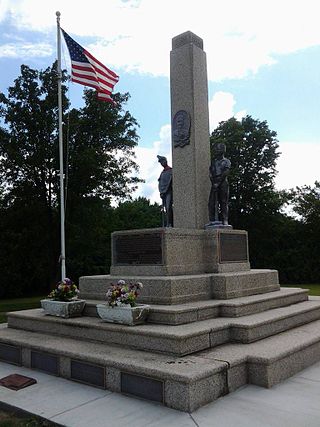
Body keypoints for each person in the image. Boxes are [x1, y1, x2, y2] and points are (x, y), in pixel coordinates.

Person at [208, 143, 231, 226]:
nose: (216, 151)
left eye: (218, 149)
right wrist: (213, 182)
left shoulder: (226, 161)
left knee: (223, 202)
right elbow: (210, 172)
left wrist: (218, 183)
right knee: (211, 202)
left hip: (223, 182)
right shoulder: (214, 162)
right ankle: (212, 220)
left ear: (222, 150)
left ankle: (225, 220)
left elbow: (225, 172)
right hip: (214, 182)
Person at [157, 155, 173, 227]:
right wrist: (161, 192)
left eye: (162, 162)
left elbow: (170, 182)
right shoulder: (162, 173)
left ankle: (170, 223)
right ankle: (167, 223)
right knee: (165, 209)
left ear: (166, 161)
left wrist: (165, 190)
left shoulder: (171, 170)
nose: (162, 164)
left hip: (169, 192)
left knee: (168, 207)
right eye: (161, 163)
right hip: (163, 193)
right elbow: (160, 183)